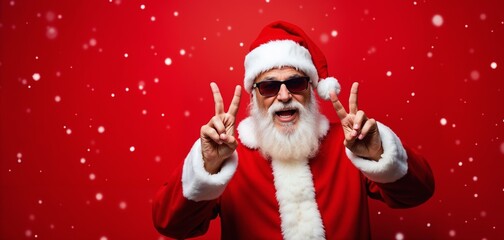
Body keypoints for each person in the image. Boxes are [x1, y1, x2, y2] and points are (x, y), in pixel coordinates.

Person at [152, 20, 434, 240]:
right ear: (254, 96)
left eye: (296, 83)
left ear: (311, 90)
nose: (284, 96)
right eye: (269, 86)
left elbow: (418, 193)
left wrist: (378, 153)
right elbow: (171, 225)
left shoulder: (350, 143)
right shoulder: (226, 153)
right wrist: (208, 166)